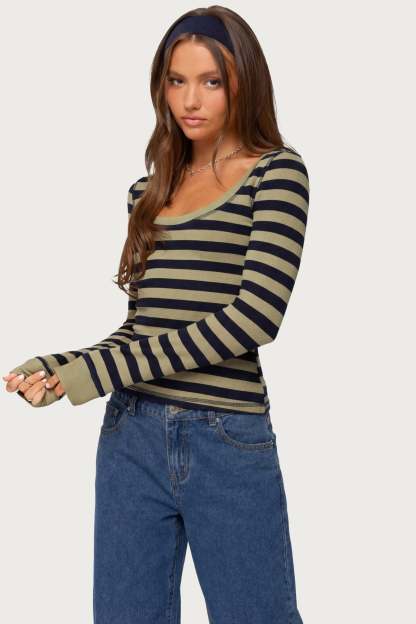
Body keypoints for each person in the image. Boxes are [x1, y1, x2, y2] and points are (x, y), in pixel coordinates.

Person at [4, 7, 309, 623]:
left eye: (211, 81)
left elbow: (254, 317)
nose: (190, 100)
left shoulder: (276, 173)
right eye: (176, 80)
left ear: (244, 82)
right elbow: (143, 328)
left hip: (226, 440)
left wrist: (98, 373)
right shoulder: (147, 193)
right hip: (131, 437)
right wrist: (66, 367)